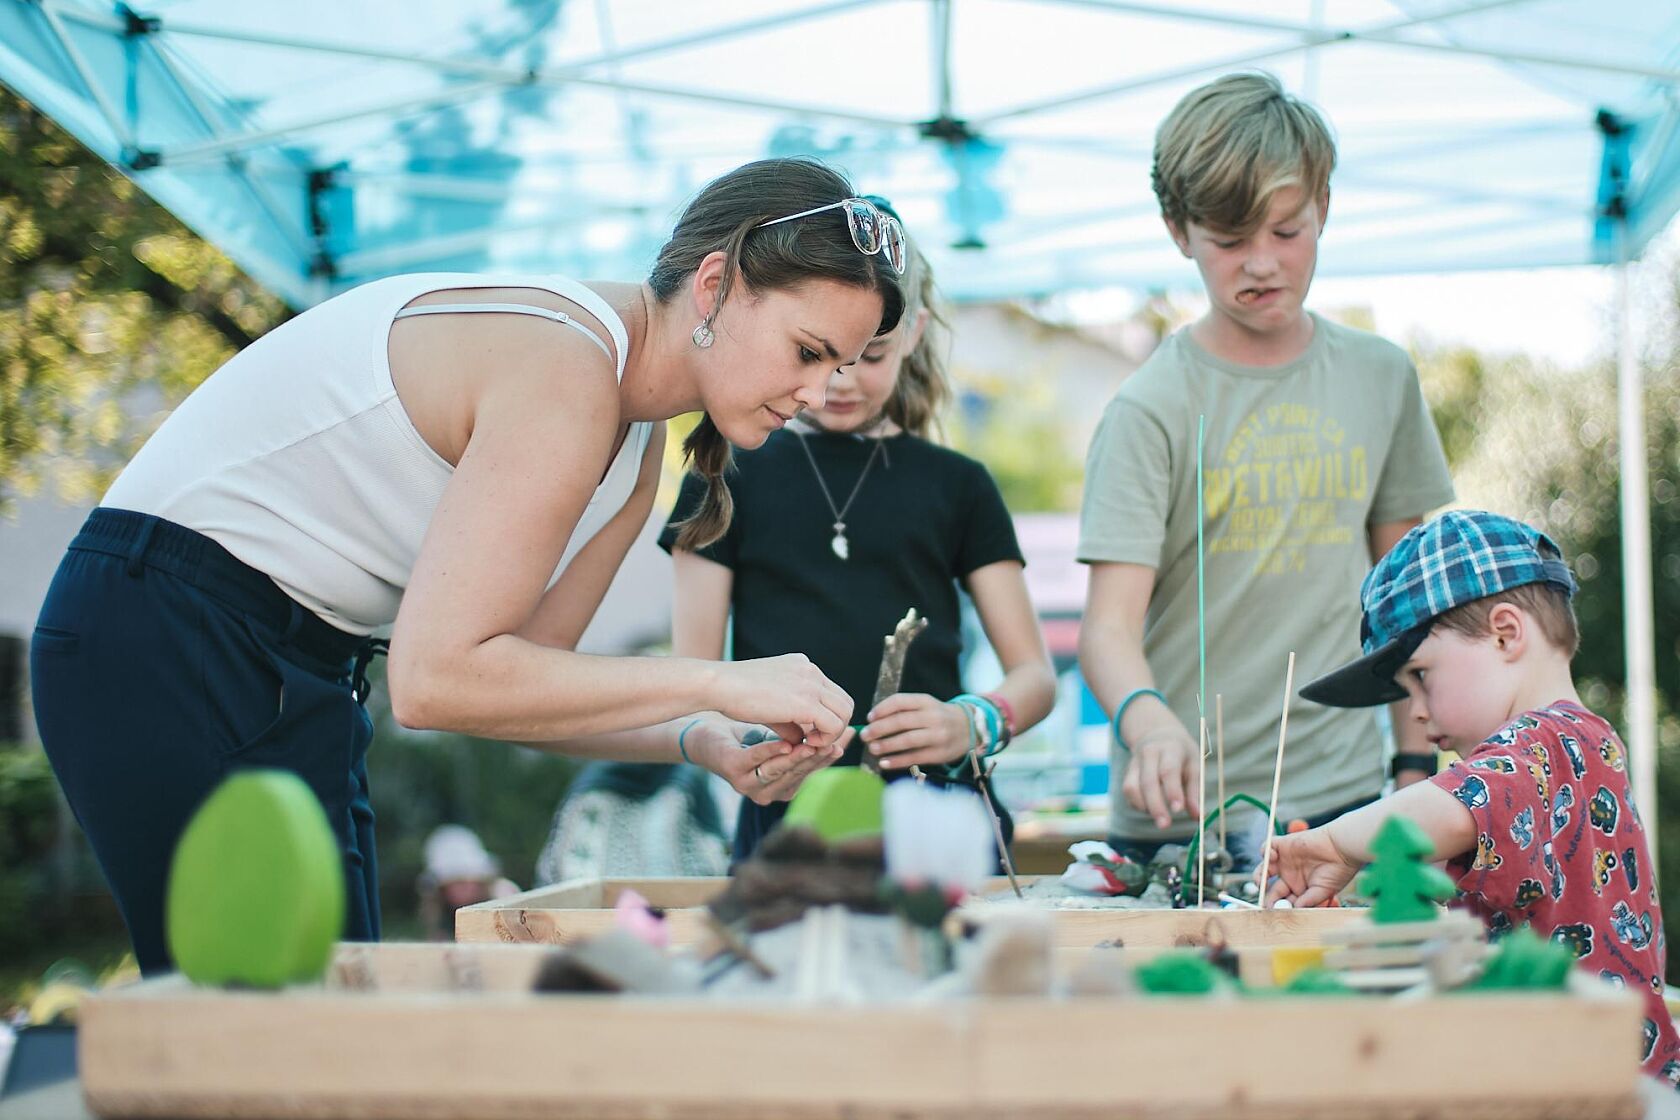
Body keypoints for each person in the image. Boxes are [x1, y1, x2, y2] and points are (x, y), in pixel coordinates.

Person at [30, 157, 904, 972]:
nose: (823, 389)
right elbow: (436, 681)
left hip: (298, 666)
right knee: (251, 1030)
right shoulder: (566, 368)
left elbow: (511, 694)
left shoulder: (634, 453)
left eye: (844, 363)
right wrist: (718, 681)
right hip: (164, 627)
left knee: (326, 1025)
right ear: (716, 285)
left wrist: (699, 739)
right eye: (808, 350)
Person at [1077, 71, 1455, 863]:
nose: (1261, 264)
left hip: (1345, 805)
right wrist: (1147, 722)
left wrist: (1416, 769)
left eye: (1287, 232)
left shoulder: (1382, 376)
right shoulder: (1150, 407)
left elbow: (1405, 600)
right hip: (1182, 815)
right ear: (1179, 230)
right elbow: (1107, 630)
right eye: (1228, 240)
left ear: (1324, 208)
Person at [661, 198, 1057, 863]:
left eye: (869, 355)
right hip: (791, 823)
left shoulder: (959, 484)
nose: (837, 381)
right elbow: (689, 681)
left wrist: (971, 722)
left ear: (913, 332)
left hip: (941, 819)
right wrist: (750, 741)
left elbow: (1035, 677)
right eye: (819, 354)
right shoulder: (722, 470)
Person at [1263, 510, 1679, 1085]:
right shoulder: (1575, 747)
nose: (1415, 711)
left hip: (1591, 1086)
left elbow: (1448, 807)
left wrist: (1336, 842)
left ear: (1506, 634)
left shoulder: (1549, 741)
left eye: (1420, 676)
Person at [415, 824, 520, 940]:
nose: (465, 887)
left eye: (468, 879)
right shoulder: (438, 910)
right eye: (457, 882)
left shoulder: (502, 895)